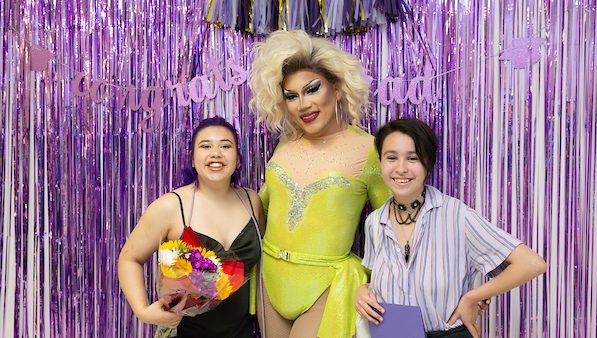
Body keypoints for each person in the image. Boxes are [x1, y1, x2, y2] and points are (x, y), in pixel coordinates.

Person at [248, 30, 390, 338]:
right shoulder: (284, 146)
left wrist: (379, 283)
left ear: (336, 89)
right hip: (270, 279)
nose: (303, 104)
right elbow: (260, 209)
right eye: (291, 96)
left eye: (312, 89)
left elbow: (394, 225)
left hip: (327, 284)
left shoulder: (370, 150)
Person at [354, 118, 547, 338]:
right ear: (380, 163)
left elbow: (531, 263)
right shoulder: (374, 223)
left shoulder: (457, 216)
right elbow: (379, 280)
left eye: (412, 158)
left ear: (428, 163)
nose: (401, 168)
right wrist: (363, 291)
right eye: (391, 158)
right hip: (392, 333)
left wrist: (473, 297)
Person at [118, 116, 264, 338]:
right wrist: (142, 310)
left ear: (237, 158)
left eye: (226, 146)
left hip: (242, 333)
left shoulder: (252, 202)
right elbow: (129, 259)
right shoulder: (171, 206)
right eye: (205, 146)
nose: (216, 153)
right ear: (193, 160)